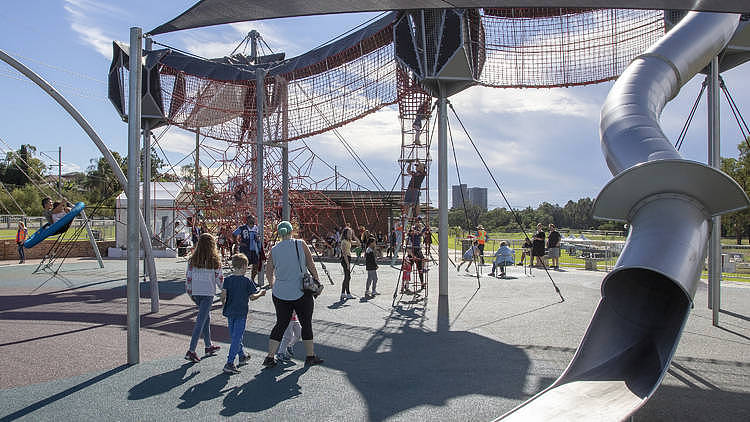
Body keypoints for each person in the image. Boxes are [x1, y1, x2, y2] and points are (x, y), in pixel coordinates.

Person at [263, 221, 323, 368]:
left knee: (281, 324)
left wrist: (273, 284)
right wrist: (317, 281)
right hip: (300, 291)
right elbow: (311, 264)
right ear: (292, 231)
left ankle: (270, 356)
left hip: (280, 293)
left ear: (279, 233)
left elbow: (269, 271)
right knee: (306, 323)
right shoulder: (300, 244)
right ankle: (310, 356)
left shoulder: (274, 249)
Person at [220, 254, 266, 374]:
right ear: (244, 266)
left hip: (230, 311)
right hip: (241, 312)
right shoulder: (247, 281)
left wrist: (224, 303)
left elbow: (223, 295)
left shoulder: (228, 280)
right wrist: (261, 293)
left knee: (234, 335)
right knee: (237, 336)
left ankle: (242, 355)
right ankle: (230, 362)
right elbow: (252, 297)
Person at [184, 233, 224, 363]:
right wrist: (226, 289)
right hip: (208, 294)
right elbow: (220, 280)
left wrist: (190, 293)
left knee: (206, 318)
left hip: (195, 293)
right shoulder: (215, 261)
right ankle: (191, 350)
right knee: (200, 321)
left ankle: (208, 345)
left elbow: (188, 278)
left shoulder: (192, 260)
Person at [233, 215, 261, 283]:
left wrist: (258, 242)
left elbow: (258, 237)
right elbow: (234, 234)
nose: (252, 221)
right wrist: (238, 243)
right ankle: (240, 279)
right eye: (251, 219)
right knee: (243, 264)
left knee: (256, 264)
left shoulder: (256, 228)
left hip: (254, 249)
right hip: (245, 249)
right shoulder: (242, 228)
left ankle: (252, 280)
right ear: (247, 220)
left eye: (253, 219)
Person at [339, 224, 356, 300]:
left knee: (347, 277)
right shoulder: (343, 241)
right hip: (345, 259)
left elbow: (358, 243)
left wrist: (354, 236)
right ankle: (348, 293)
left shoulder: (349, 241)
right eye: (349, 233)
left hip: (348, 258)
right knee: (348, 277)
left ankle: (343, 293)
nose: (350, 234)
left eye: (351, 233)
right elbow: (344, 253)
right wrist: (347, 264)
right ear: (345, 234)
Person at [408, 225, 426, 290]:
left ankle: (422, 283)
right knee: (408, 268)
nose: (416, 231)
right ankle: (405, 283)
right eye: (415, 230)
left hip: (418, 250)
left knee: (420, 268)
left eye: (417, 230)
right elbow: (409, 233)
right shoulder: (412, 235)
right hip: (413, 250)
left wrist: (425, 227)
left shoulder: (418, 235)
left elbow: (422, 231)